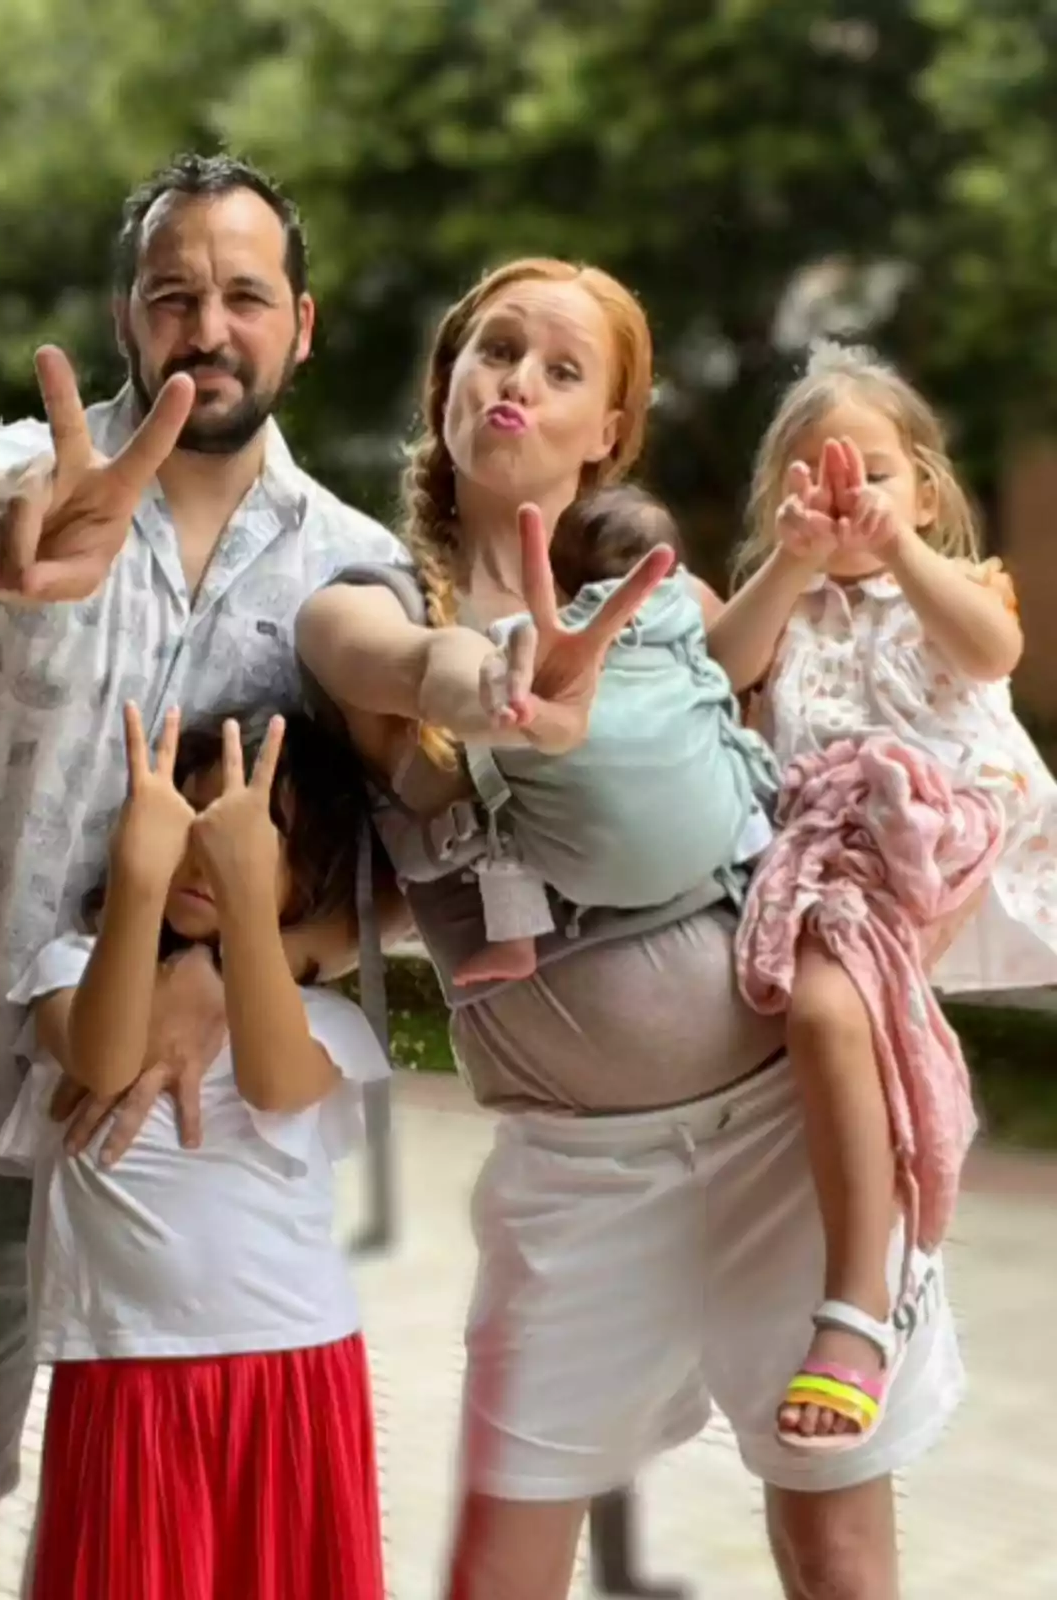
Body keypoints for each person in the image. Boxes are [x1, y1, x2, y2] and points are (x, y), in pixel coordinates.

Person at [296, 256, 965, 1600]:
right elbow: (384, 670)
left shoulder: (667, 603)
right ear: (446, 390)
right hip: (577, 1177)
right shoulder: (367, 606)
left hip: (787, 1135)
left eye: (562, 370)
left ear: (607, 432)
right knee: (506, 1562)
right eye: (494, 352)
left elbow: (788, 737)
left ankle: (853, 1314)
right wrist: (488, 681)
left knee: (836, 1548)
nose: (517, 384)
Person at [0, 153, 402, 1600]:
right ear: (125, 316)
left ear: (303, 322)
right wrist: (25, 530)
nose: (206, 327)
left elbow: (393, 883)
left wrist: (217, 975)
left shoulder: (357, 571)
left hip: (192, 1145)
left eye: (242, 295)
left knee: (179, 1536)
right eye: (173, 296)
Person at [708, 341, 1057, 1452]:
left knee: (824, 1007)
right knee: (830, 1011)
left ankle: (858, 1305)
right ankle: (879, 1275)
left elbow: (995, 650)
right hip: (842, 855)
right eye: (821, 481)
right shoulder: (788, 614)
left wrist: (903, 550)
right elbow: (721, 669)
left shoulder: (949, 585)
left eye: (878, 476)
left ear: (927, 487)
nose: (855, 500)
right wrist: (793, 563)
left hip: (950, 839)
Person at [0, 703, 388, 1600]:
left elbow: (277, 1083)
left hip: (291, 1369)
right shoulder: (70, 966)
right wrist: (139, 877)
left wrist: (246, 914)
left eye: (254, 840)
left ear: (308, 878)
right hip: (125, 1372)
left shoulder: (323, 1020)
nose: (211, 857)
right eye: (196, 823)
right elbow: (101, 1054)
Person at [451, 483, 777, 988]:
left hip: (579, 872)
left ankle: (515, 942)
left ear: (554, 583)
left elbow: (486, 691)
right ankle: (767, 864)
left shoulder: (522, 635)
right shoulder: (687, 609)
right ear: (672, 573)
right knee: (726, 741)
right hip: (708, 848)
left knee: (497, 804)